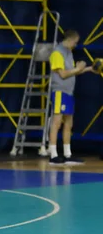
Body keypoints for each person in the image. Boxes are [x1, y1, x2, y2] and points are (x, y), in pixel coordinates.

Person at [48, 30, 97, 165]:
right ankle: (53, 154)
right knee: (57, 122)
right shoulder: (57, 53)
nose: (75, 45)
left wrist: (88, 69)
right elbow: (63, 74)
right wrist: (78, 68)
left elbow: (72, 72)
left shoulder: (68, 53)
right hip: (60, 91)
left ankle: (67, 154)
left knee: (69, 123)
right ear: (69, 40)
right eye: (75, 42)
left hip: (69, 92)